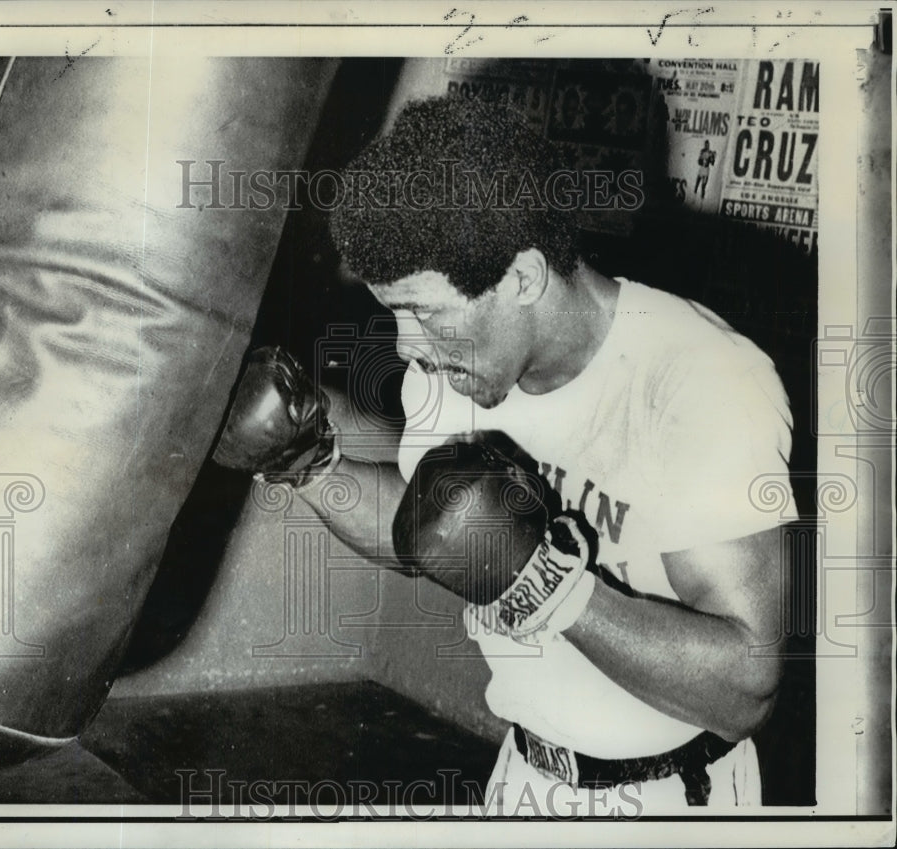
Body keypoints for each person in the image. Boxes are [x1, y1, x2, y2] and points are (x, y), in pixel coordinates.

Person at [214, 97, 795, 813]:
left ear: (522, 276)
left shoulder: (699, 384)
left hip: (676, 796)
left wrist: (548, 585)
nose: (405, 345)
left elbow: (746, 686)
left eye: (423, 310)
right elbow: (427, 527)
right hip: (523, 776)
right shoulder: (458, 368)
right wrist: (305, 463)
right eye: (394, 311)